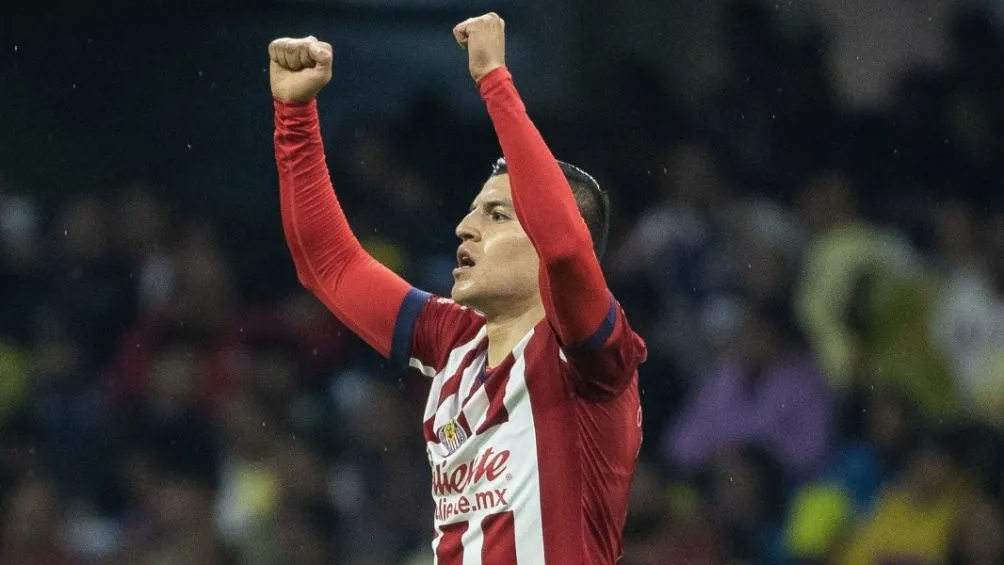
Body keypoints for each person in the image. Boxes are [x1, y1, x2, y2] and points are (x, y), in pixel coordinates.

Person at [268, 12, 647, 564]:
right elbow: (328, 266)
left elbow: (566, 249)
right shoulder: (454, 341)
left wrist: (495, 79)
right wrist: (295, 115)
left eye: (496, 215)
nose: (465, 227)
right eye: (473, 212)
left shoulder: (590, 358)